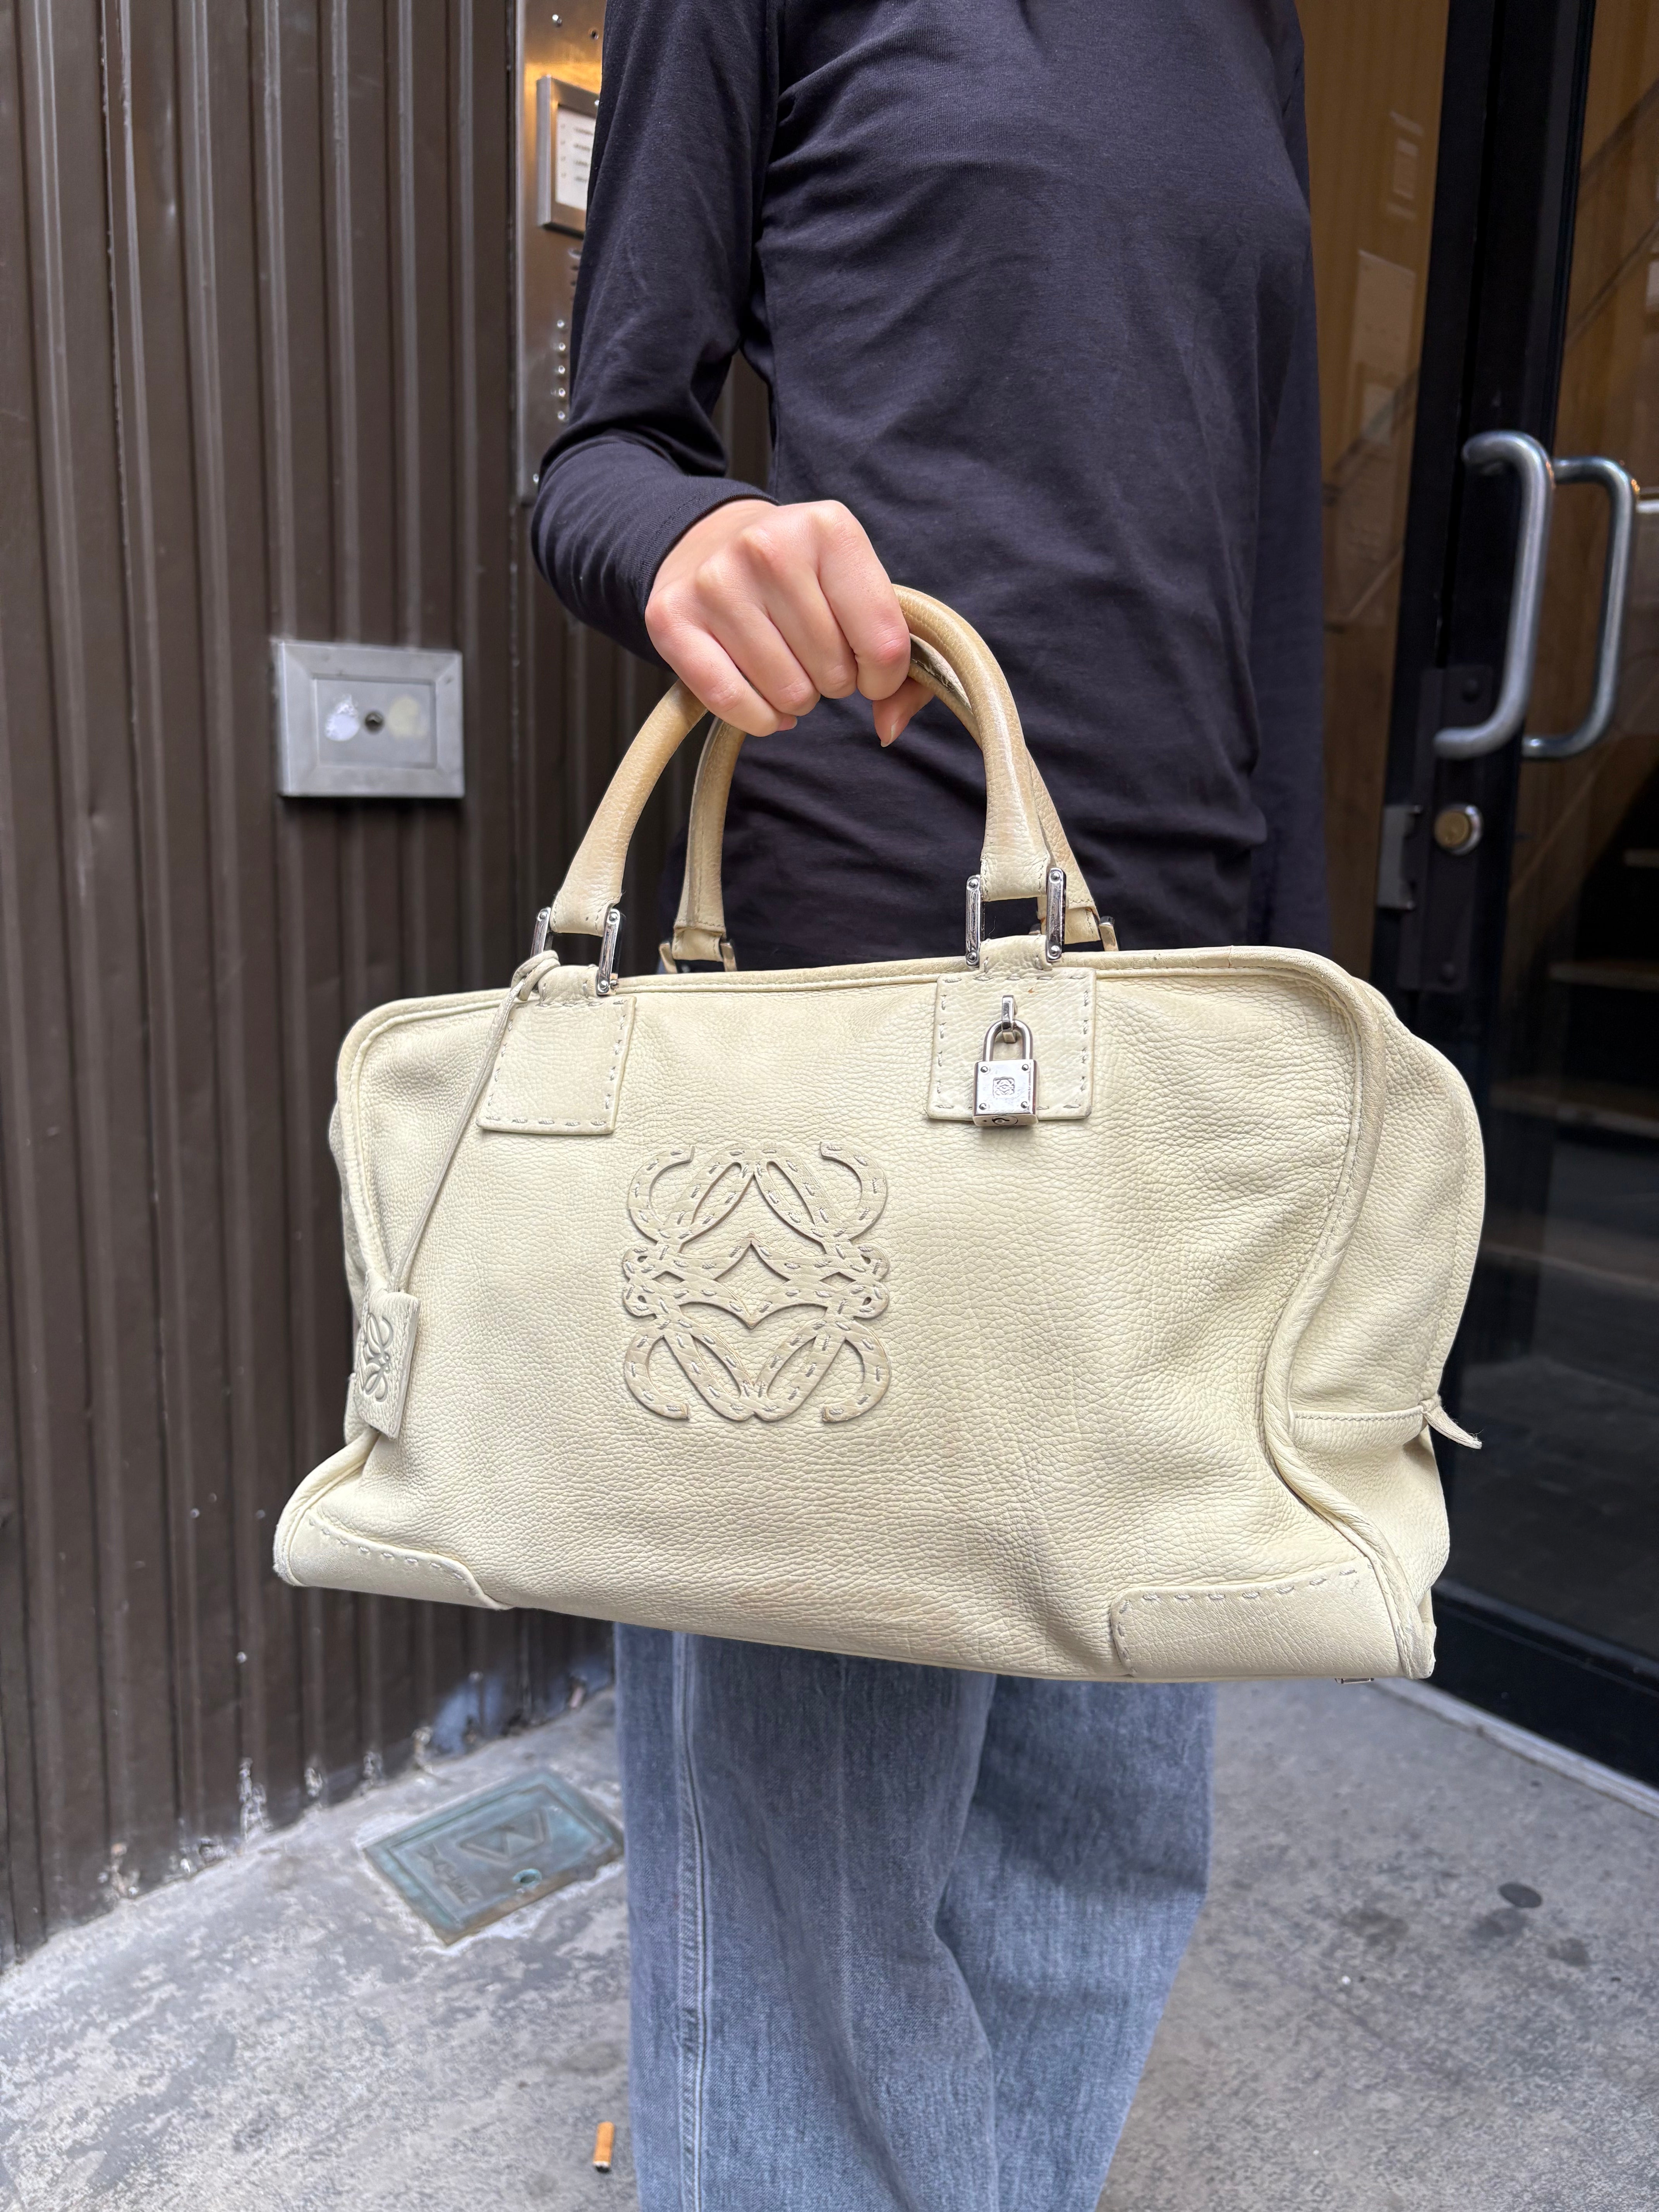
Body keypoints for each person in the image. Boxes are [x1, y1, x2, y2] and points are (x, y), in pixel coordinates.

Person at [534, 3, 1324, 2205]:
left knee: (1103, 1815)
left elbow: (1268, 572)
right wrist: (699, 539)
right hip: (857, 1003)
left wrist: (1308, 1007)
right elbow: (602, 453)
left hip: (1168, 1012)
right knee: (814, 1850)